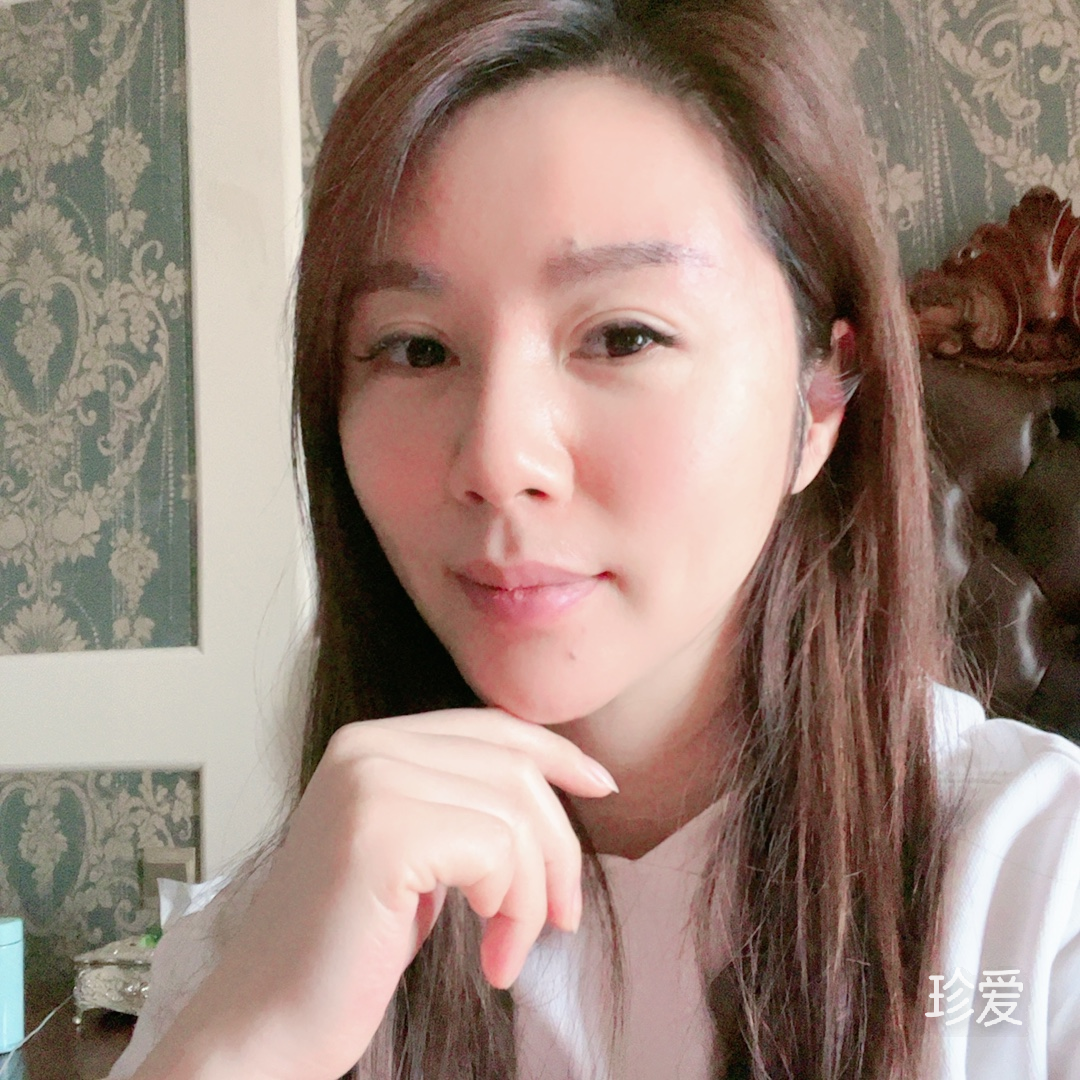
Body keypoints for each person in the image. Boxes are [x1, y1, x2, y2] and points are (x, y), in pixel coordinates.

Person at [109, 0, 1080, 1077]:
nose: (496, 457)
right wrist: (247, 1042)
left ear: (818, 403)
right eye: (416, 349)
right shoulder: (255, 954)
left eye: (623, 336)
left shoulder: (1043, 898)